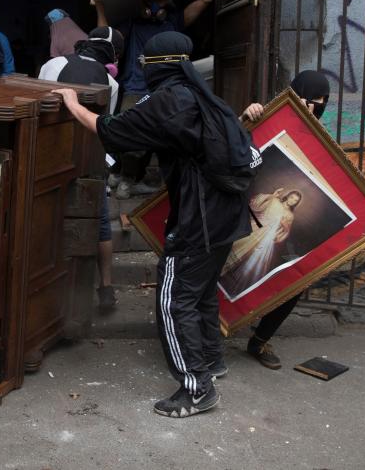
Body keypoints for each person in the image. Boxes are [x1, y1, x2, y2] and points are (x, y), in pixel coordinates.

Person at [53, 31, 253, 418]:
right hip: (226, 214)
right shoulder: (201, 95)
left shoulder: (168, 101)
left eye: (145, 63)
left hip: (201, 219)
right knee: (201, 291)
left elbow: (111, 129)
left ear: (159, 65)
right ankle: (212, 361)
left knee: (173, 299)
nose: (141, 68)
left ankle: (196, 388)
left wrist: (72, 103)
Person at [96, 0, 213, 199]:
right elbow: (106, 33)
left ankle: (128, 179)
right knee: (128, 133)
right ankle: (119, 172)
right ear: (142, 2)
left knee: (158, 137)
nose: (155, 4)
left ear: (167, 0)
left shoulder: (173, 22)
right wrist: (100, 6)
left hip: (166, 91)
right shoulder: (134, 24)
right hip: (136, 88)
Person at [239, 69, 331, 370]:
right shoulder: (268, 120)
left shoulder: (323, 142)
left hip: (271, 239)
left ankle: (260, 339)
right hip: (242, 220)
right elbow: (233, 148)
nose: (314, 106)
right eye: (309, 98)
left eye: (321, 101)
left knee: (295, 281)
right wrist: (245, 120)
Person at [39, 26, 123, 309]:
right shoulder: (112, 84)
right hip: (90, 160)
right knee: (99, 223)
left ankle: (51, 289)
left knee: (51, 218)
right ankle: (106, 288)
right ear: (113, 56)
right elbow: (105, 127)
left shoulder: (53, 64)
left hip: (51, 157)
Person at [219, 188, 303, 300]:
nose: (292, 200)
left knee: (246, 255)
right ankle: (216, 266)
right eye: (292, 197)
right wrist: (272, 195)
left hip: (265, 237)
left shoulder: (289, 215)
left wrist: (280, 231)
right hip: (255, 227)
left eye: (295, 200)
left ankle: (222, 277)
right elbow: (255, 205)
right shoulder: (274, 201)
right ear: (288, 196)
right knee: (235, 245)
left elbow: (285, 232)